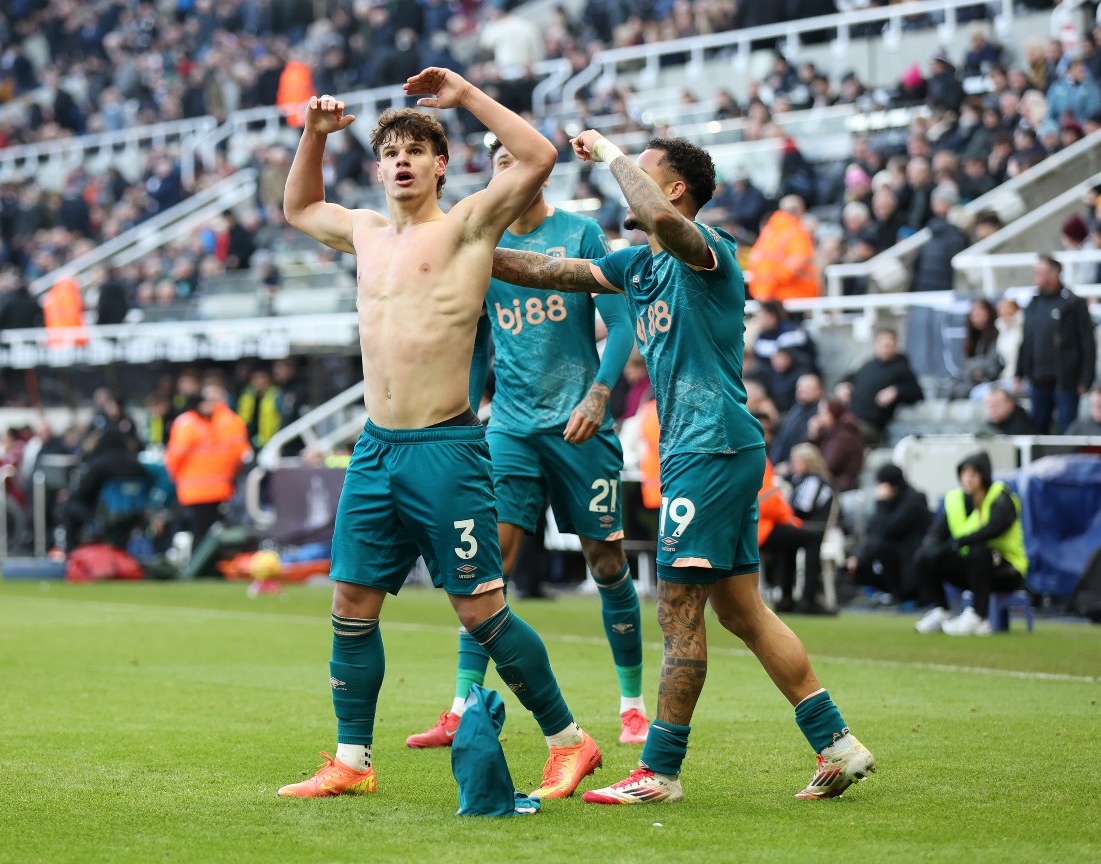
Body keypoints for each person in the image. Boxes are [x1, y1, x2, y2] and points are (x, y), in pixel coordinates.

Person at [490, 132, 874, 804]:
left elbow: (669, 222)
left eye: (643, 174)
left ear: (670, 188)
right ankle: (837, 743)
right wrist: (457, 247)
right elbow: (548, 273)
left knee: (676, 611)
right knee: (744, 613)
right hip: (709, 450)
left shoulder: (710, 252)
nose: (627, 184)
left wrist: (610, 153)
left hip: (710, 449)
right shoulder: (640, 266)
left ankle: (659, 770)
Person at [274, 71, 601, 802]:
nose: (401, 160)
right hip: (376, 448)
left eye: (416, 149)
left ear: (440, 164)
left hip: (446, 449)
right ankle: (352, 761)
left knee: (480, 613)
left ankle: (571, 743)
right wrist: (313, 136)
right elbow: (297, 206)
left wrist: (464, 95)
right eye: (389, 149)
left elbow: (541, 156)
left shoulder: (467, 225)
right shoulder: (361, 228)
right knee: (351, 604)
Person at [405, 139, 647, 750]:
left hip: (578, 426)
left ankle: (632, 703)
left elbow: (620, 324)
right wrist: (460, 413)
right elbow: (479, 344)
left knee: (606, 561)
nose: (510, 169)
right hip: (510, 426)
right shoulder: (481, 244)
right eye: (500, 162)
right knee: (488, 566)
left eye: (519, 160)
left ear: (543, 173)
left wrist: (599, 394)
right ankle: (461, 706)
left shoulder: (582, 234)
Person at [914, 452, 1027, 636]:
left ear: (984, 475)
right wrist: (931, 545)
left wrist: (959, 541)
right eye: (964, 474)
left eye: (974, 474)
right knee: (925, 557)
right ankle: (941, 610)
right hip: (972, 570)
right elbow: (937, 532)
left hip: (1007, 570)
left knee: (979, 550)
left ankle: (979, 617)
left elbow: (993, 529)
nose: (968, 479)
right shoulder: (954, 500)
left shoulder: (1000, 497)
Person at [1015, 255, 1096, 433]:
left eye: (1039, 273)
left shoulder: (1073, 303)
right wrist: (1019, 372)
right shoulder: (1033, 304)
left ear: (1054, 274)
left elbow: (1087, 344)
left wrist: (1086, 379)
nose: (1035, 277)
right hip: (1038, 379)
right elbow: (1026, 340)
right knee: (1037, 429)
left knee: (1068, 428)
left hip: (1066, 380)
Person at [164, 384, 250, 541]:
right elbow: (241, 455)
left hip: (203, 489)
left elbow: (173, 458)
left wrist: (175, 477)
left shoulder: (189, 423)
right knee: (211, 532)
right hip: (212, 488)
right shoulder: (229, 421)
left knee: (201, 533)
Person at [763, 444, 837, 615]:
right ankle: (791, 598)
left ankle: (805, 598)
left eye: (797, 460)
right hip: (800, 526)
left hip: (812, 526)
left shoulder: (815, 480)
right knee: (788, 544)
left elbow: (803, 507)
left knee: (805, 540)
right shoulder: (799, 479)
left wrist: (784, 511)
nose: (793, 463)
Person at [845, 464, 931, 604]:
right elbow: (873, 532)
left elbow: (890, 530)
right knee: (859, 563)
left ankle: (899, 595)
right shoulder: (888, 502)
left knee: (879, 547)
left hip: (910, 560)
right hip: (895, 559)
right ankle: (887, 593)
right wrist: (859, 557)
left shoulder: (914, 499)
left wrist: (881, 503)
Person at [835, 328, 924, 444]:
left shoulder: (902, 369)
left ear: (896, 345)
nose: (886, 347)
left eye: (889, 344)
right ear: (876, 345)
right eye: (883, 343)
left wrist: (896, 391)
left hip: (872, 425)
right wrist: (842, 385)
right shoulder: (868, 365)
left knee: (842, 435)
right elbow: (849, 377)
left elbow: (917, 394)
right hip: (850, 418)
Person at [745, 195, 820, 302]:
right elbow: (798, 263)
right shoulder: (798, 232)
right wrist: (775, 279)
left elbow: (754, 259)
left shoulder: (768, 231)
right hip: (793, 295)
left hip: (766, 295)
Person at [806, 398, 865, 493]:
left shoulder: (843, 436)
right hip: (828, 483)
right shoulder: (829, 432)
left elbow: (827, 466)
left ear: (832, 415)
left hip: (838, 485)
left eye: (822, 413)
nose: (818, 417)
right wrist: (813, 436)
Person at [950, 298, 1003, 400]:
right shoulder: (973, 338)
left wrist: (976, 370)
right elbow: (966, 366)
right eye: (974, 314)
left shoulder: (998, 335)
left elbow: (992, 366)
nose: (977, 317)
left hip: (991, 382)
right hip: (971, 381)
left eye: (980, 312)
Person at [771, 373, 823, 467]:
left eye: (808, 387)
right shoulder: (796, 409)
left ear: (819, 391)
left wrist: (789, 465)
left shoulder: (820, 413)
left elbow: (806, 444)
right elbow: (782, 440)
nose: (801, 390)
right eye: (799, 387)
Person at [237, 366, 283, 451]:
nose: (258, 381)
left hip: (269, 441)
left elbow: (281, 418)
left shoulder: (276, 395)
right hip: (248, 440)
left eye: (262, 378)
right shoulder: (247, 395)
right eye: (255, 378)